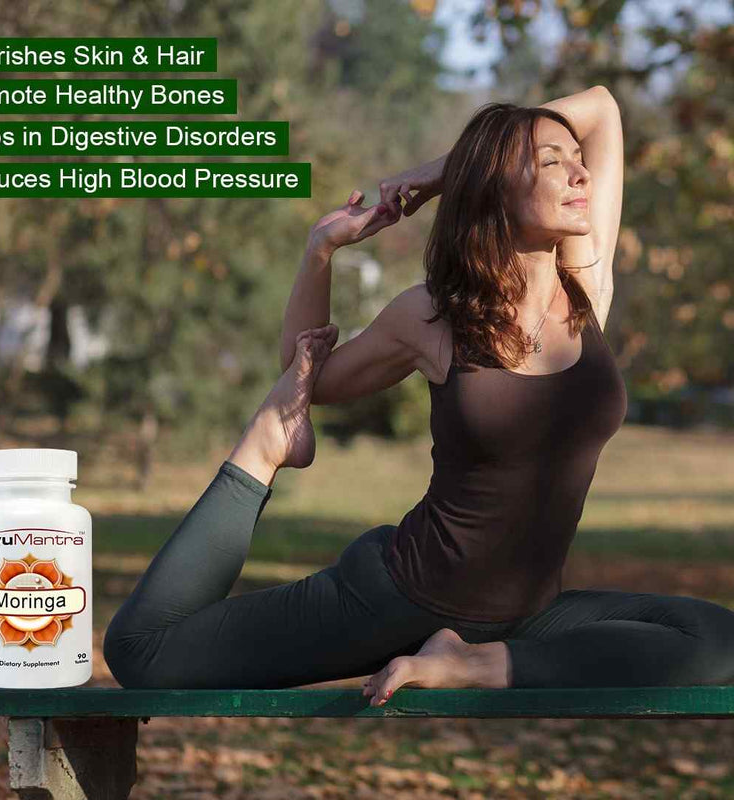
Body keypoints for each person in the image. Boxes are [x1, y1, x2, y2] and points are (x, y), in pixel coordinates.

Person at [103, 86, 734, 702]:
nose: (580, 173)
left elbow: (601, 108)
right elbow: (307, 376)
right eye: (551, 161)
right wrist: (321, 250)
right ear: (497, 186)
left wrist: (440, 171)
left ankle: (480, 666)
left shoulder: (584, 292)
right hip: (398, 597)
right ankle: (266, 446)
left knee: (719, 639)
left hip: (527, 619)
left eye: (577, 161)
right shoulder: (436, 316)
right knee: (143, 654)